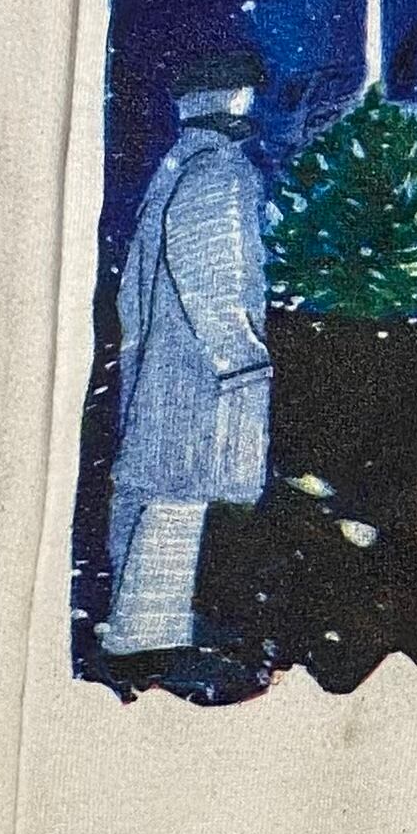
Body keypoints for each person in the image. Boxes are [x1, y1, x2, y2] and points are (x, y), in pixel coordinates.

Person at [99, 44, 273, 657]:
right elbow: (211, 277)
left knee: (155, 493)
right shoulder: (218, 172)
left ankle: (138, 626)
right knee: (178, 496)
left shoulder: (176, 165)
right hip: (199, 373)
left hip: (164, 365)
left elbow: (133, 291)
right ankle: (147, 637)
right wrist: (242, 356)